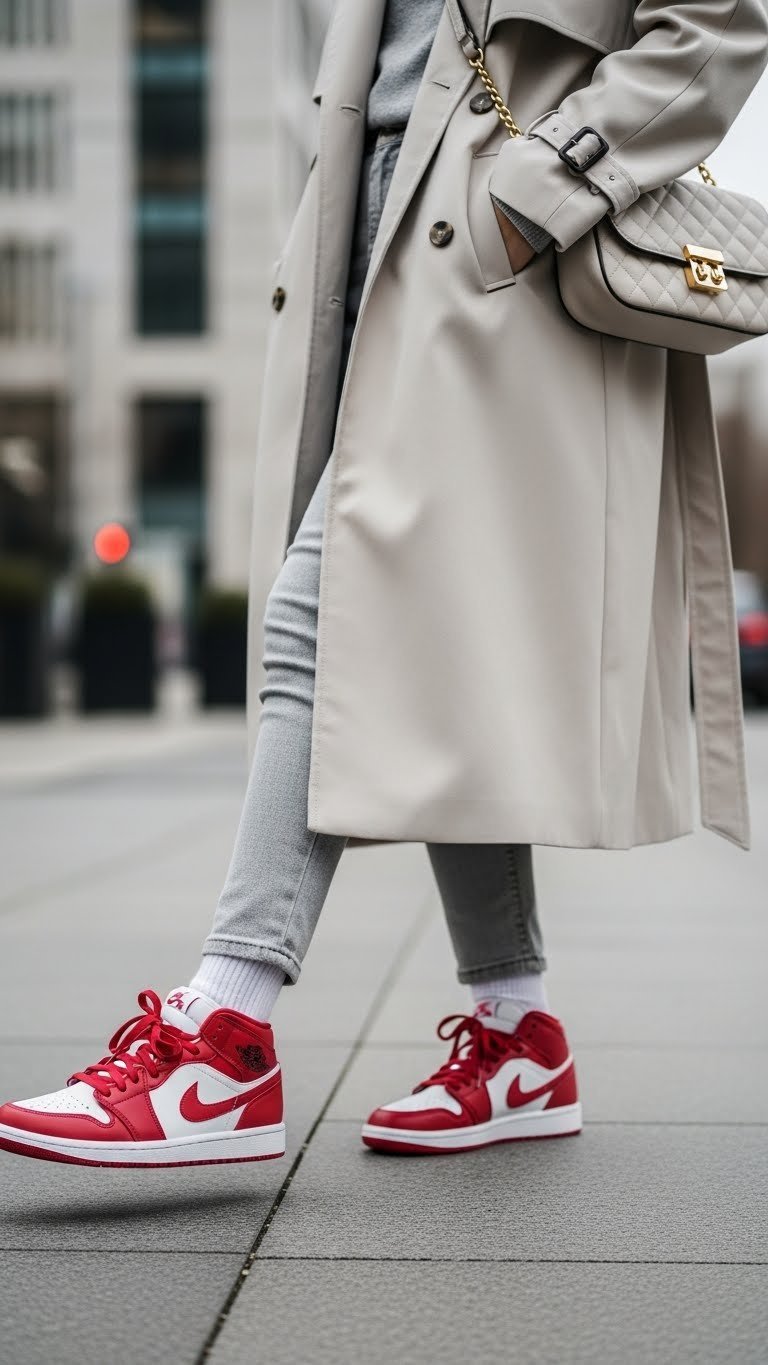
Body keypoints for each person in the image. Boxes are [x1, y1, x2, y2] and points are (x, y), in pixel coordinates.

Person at [1, 0, 765, 1167]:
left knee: (328, 620)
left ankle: (225, 1034)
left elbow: (715, 28)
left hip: (510, 278)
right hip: (376, 259)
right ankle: (517, 1033)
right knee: (429, 638)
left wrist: (538, 190)